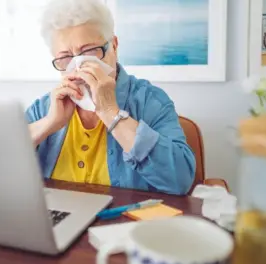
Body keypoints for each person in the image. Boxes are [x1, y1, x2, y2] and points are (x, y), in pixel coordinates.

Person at [26, 0, 196, 195]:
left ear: (114, 46)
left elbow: (180, 181)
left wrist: (111, 113)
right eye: (66, 57)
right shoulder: (44, 107)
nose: (79, 66)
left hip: (121, 221)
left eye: (89, 52)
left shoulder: (151, 101)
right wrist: (49, 123)